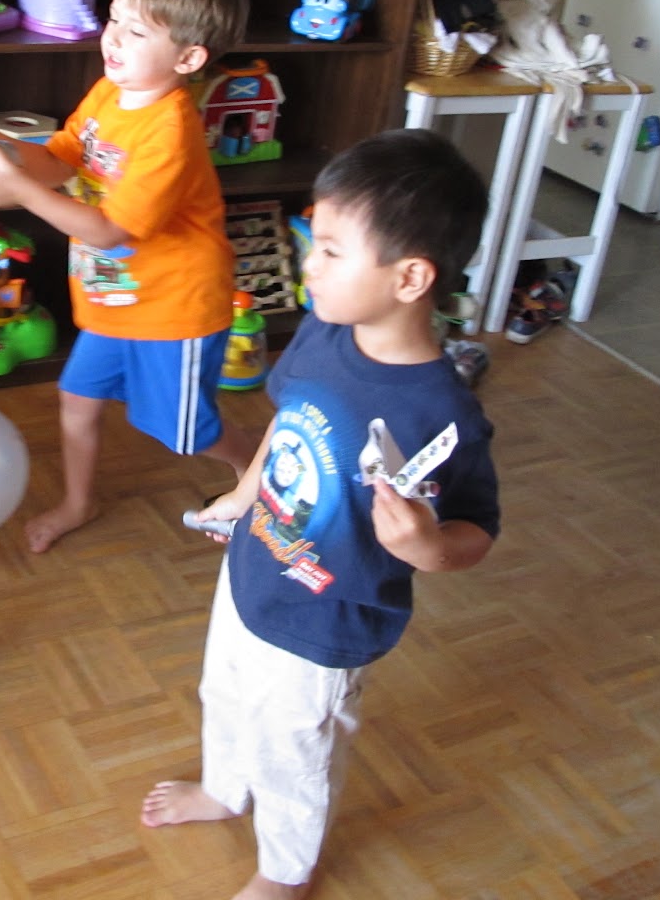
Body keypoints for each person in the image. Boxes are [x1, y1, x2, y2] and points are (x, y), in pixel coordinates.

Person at [139, 129, 500, 900]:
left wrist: (430, 548)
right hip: (254, 570)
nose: (307, 262)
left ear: (409, 277)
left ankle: (284, 872)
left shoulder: (442, 415)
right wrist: (241, 498)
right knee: (226, 694)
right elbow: (290, 419)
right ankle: (223, 791)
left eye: (331, 250)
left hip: (326, 621)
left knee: (294, 750)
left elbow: (479, 530)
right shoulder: (325, 332)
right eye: (313, 240)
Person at [0, 0, 259, 552]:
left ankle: (258, 464)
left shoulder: (171, 131)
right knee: (78, 397)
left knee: (182, 431)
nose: (113, 38)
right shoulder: (107, 95)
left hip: (176, 309)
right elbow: (62, 154)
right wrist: (5, 155)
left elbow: (107, 229)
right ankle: (77, 502)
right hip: (115, 297)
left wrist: (19, 190)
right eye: (114, 18)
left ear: (189, 57)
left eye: (136, 31)